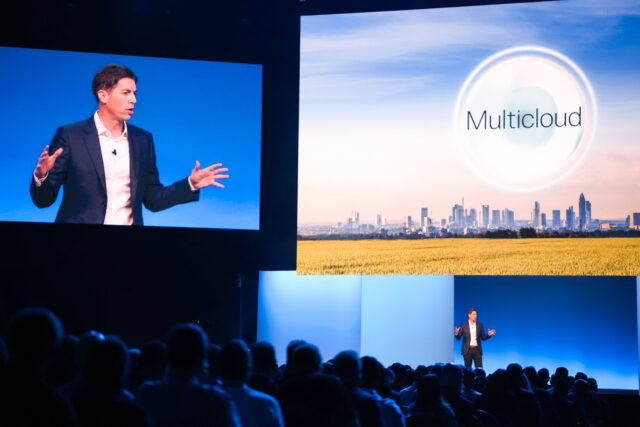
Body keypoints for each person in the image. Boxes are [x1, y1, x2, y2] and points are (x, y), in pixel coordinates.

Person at [30, 64, 228, 225]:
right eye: (126, 93)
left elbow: (153, 199)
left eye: (134, 93)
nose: (133, 100)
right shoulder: (70, 135)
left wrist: (190, 184)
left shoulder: (143, 140)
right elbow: (43, 200)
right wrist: (41, 176)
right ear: (103, 96)